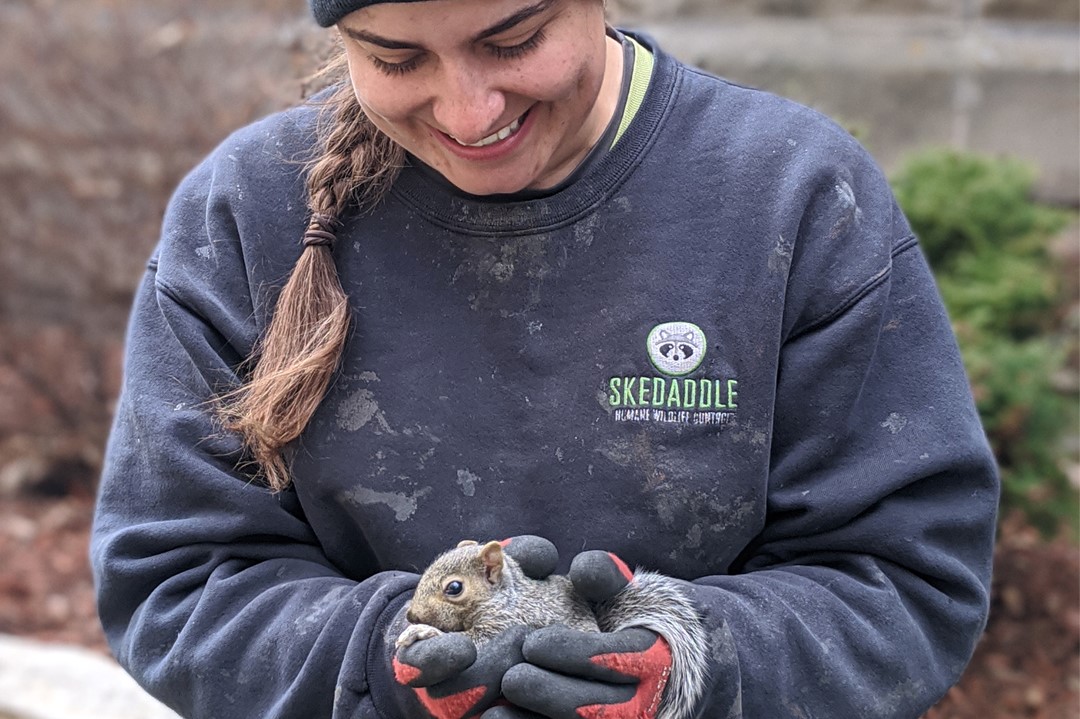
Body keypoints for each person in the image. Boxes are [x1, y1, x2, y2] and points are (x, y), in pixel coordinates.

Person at [90, 0, 1000, 717]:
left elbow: (904, 581)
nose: (468, 109)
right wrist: (384, 666)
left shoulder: (791, 196)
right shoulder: (246, 215)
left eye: (514, 37)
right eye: (396, 58)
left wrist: (701, 664)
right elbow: (177, 575)